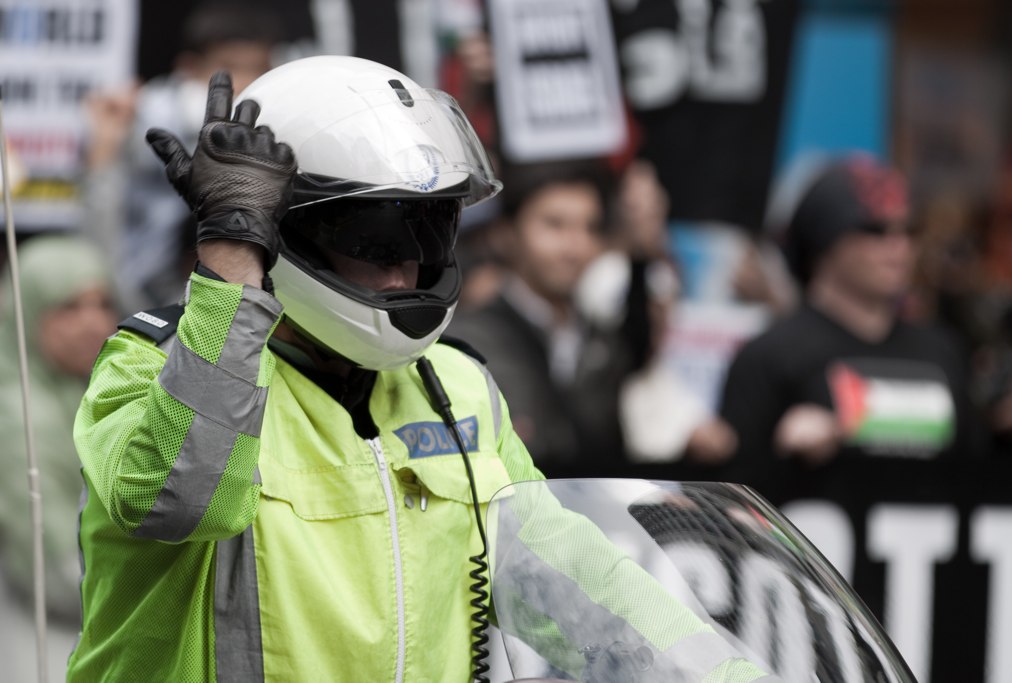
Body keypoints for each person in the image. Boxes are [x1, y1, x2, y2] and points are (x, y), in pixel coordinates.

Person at [69, 58, 773, 682]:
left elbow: (583, 582)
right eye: (375, 237)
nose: (406, 266)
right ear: (281, 232)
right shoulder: (158, 364)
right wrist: (229, 266)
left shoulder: (457, 386)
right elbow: (180, 499)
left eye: (427, 231)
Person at [718, 154, 982, 469]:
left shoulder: (943, 351)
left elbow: (981, 469)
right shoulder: (768, 357)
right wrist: (782, 454)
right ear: (823, 241)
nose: (899, 246)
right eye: (875, 230)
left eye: (909, 230)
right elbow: (729, 492)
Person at [448, 160, 655, 470]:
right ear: (507, 233)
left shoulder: (604, 339)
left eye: (591, 227)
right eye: (555, 224)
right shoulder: (468, 342)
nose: (576, 246)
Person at [81, 0, 282, 313]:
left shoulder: (280, 128)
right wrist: (105, 149)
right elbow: (97, 231)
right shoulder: (143, 120)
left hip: (244, 302)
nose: (243, 83)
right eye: (229, 69)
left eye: (257, 69)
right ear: (189, 68)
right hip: (140, 300)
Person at [0, 235, 117, 682]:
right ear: (28, 312)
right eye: (69, 307)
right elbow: (57, 570)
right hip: (41, 649)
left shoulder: (86, 395)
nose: (92, 322)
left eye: (101, 303)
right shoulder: (21, 415)